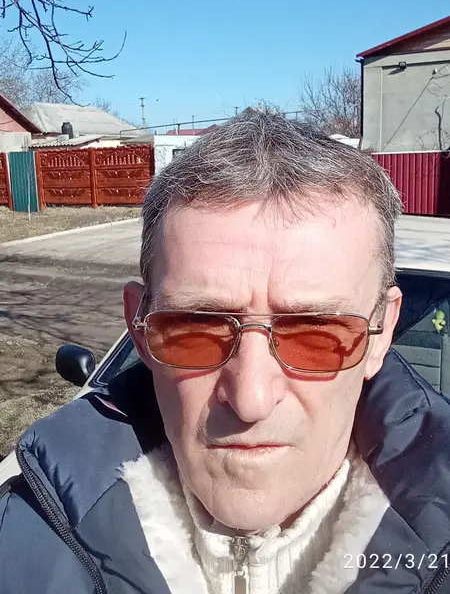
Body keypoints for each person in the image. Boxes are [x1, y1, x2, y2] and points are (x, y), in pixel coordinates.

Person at [1, 107, 450, 594]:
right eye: (197, 328)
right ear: (139, 327)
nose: (251, 399)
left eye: (315, 333)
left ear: (380, 333)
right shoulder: (24, 532)